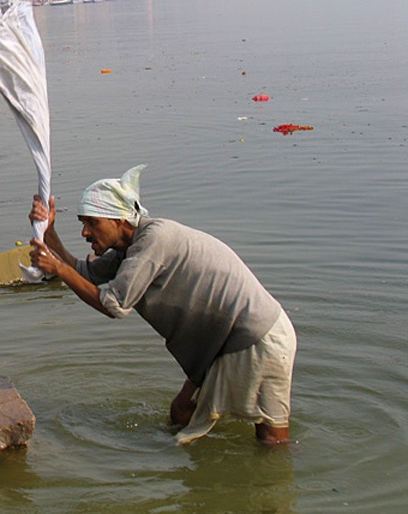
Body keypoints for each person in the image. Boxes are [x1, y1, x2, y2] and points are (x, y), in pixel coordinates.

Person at [27, 164, 296, 445]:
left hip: (255, 337)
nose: (85, 232)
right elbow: (85, 273)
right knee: (182, 411)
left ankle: (273, 481)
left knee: (270, 435)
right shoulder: (130, 248)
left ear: (120, 220)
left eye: (92, 222)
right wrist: (49, 232)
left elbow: (113, 305)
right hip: (222, 342)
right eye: (82, 222)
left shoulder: (153, 241)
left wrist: (58, 269)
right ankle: (190, 468)